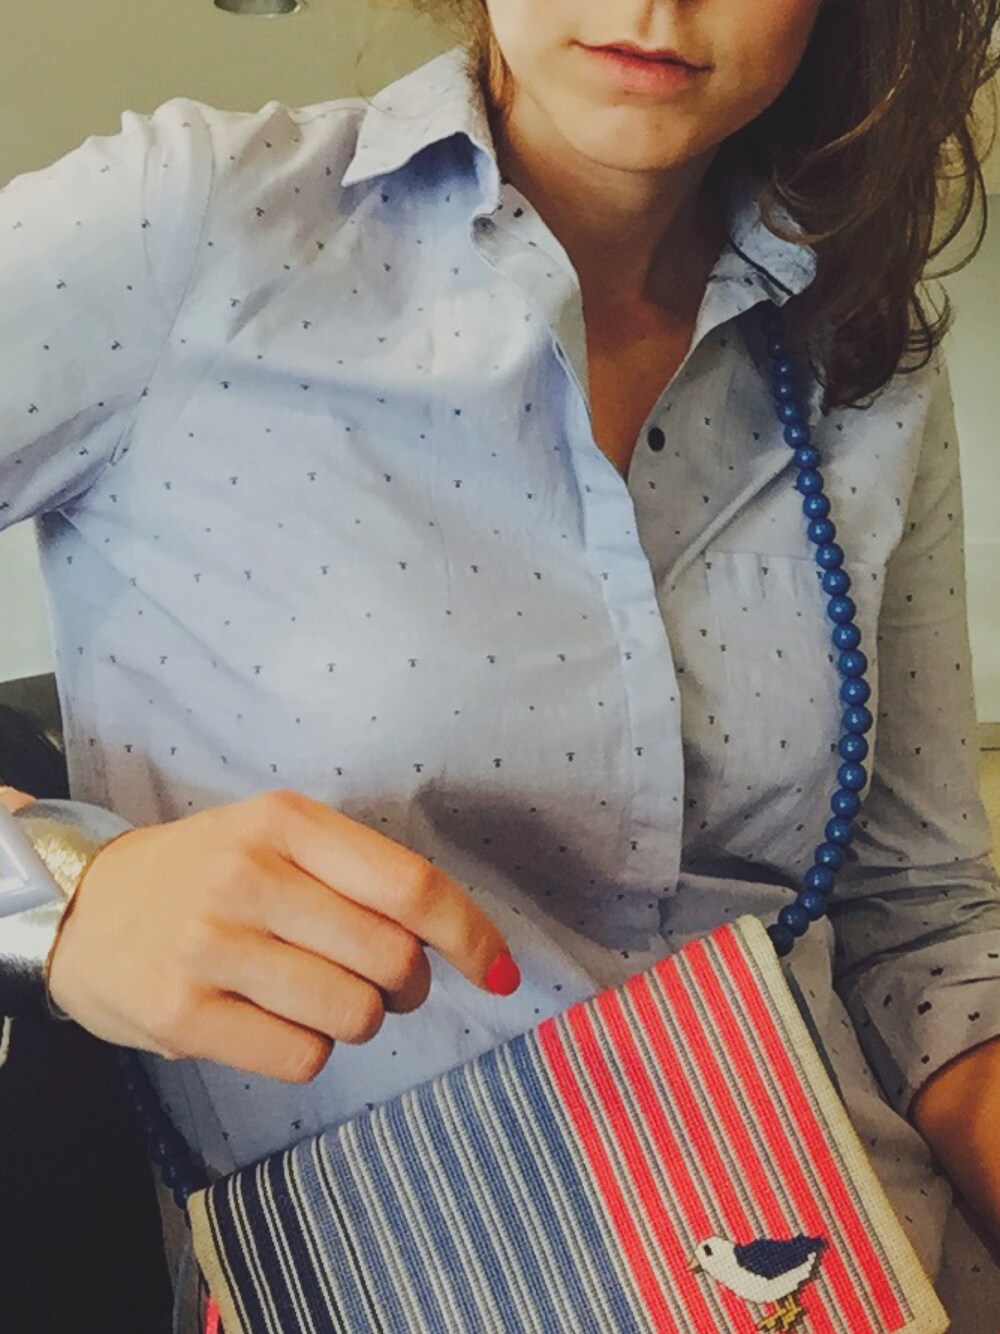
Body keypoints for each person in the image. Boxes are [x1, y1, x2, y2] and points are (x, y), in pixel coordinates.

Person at [2, 0, 1000, 1328]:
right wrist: (53, 898)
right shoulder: (186, 228)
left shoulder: (865, 350)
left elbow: (920, 926)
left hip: (858, 1256)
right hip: (394, 1275)